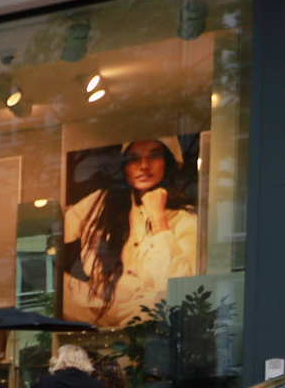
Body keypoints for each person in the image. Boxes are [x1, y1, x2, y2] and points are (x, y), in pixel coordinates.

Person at [63, 137, 201, 328]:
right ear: (125, 167)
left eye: (154, 156)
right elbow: (55, 231)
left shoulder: (184, 218)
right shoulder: (101, 202)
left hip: (147, 315)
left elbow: (178, 287)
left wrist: (159, 218)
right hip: (96, 309)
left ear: (167, 163)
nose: (144, 166)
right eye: (134, 158)